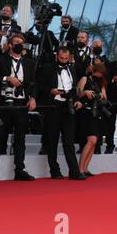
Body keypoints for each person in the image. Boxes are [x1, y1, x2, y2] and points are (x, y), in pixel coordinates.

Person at [0, 34, 36, 183]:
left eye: (22, 43)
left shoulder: (29, 62)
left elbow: (34, 83)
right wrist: (6, 78)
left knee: (20, 139)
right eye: (16, 43)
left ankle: (19, 170)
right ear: (9, 45)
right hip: (3, 103)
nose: (20, 45)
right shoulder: (0, 59)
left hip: (21, 104)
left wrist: (33, 98)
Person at [37, 47, 87, 180]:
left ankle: (74, 171)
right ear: (56, 56)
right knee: (52, 140)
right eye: (61, 58)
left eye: (66, 59)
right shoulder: (47, 68)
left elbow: (75, 87)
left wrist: (77, 100)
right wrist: (50, 91)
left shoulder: (72, 68)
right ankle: (54, 170)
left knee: (69, 140)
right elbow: (38, 86)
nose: (64, 61)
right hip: (53, 106)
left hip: (68, 107)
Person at [77, 63, 108, 176]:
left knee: (94, 143)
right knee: (91, 140)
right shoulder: (85, 79)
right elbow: (77, 94)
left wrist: (98, 95)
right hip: (86, 112)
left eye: (101, 74)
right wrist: (86, 92)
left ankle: (85, 168)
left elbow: (105, 96)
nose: (99, 75)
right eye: (97, 73)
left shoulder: (101, 82)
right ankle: (80, 169)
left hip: (97, 113)